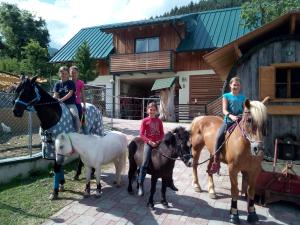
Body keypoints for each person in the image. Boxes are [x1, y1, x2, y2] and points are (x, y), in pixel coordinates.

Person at [209, 76, 246, 174]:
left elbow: (245, 109)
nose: (236, 87)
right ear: (230, 85)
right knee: (219, 136)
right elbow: (224, 110)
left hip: (240, 120)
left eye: (238, 85)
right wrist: (231, 116)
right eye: (234, 85)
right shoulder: (226, 96)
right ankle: (216, 161)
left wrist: (244, 114)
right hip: (229, 121)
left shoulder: (243, 97)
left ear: (240, 86)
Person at [53, 66, 80, 131]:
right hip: (60, 104)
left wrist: (61, 100)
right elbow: (55, 95)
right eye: (62, 73)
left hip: (70, 104)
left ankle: (78, 131)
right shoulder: (57, 84)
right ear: (59, 74)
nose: (64, 75)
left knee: (75, 115)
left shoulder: (70, 83)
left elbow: (70, 94)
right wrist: (52, 100)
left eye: (65, 74)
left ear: (68, 74)